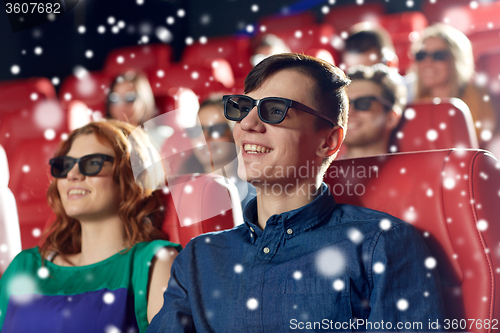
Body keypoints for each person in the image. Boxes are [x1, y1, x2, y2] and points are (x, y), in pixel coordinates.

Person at [147, 54, 445, 332]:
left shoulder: (381, 244)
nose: (247, 125)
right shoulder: (198, 257)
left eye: (276, 111)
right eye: (243, 108)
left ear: (328, 141)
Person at [0, 120, 181, 333]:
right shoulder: (26, 265)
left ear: (132, 175)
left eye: (93, 163)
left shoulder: (154, 263)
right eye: (65, 165)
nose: (72, 175)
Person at [410, 23, 497, 146]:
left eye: (438, 56)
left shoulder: (476, 95)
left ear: (455, 60)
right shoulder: (413, 102)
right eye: (421, 55)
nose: (427, 63)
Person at [184, 96, 256, 209]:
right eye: (198, 130)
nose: (204, 138)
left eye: (216, 129)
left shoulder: (255, 194)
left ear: (236, 133)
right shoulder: (181, 187)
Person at [342, 64, 406, 158]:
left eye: (363, 103)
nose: (349, 112)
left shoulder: (411, 171)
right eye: (343, 104)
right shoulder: (318, 171)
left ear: (391, 118)